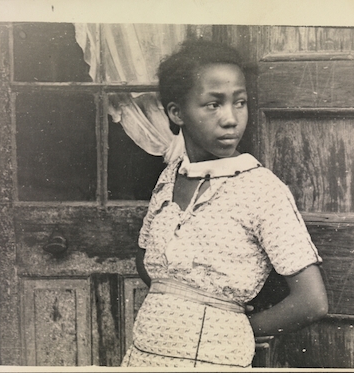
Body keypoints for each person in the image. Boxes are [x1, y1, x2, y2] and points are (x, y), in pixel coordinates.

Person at [122, 39, 328, 368]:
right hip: (145, 354)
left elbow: (312, 302)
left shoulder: (261, 188)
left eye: (240, 102)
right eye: (213, 104)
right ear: (177, 112)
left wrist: (233, 327)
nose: (231, 118)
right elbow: (146, 259)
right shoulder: (169, 178)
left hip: (217, 359)